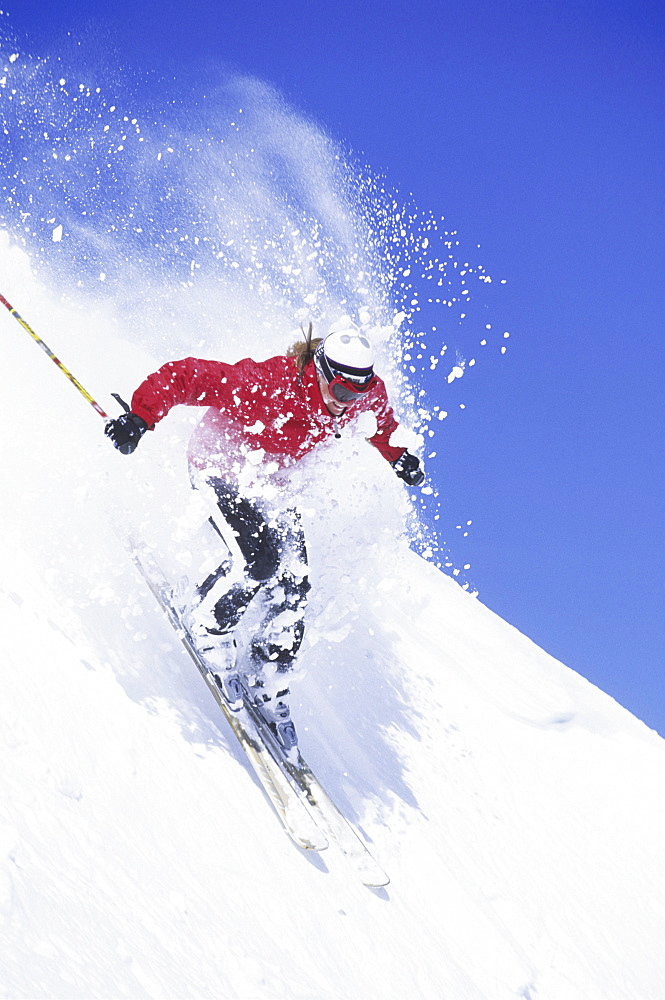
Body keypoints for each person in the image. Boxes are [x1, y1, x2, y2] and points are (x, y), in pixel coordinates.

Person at [105, 324, 424, 753]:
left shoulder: (361, 396)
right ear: (321, 371)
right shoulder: (270, 382)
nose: (344, 403)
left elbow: (379, 423)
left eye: (354, 395)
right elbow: (190, 376)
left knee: (296, 585)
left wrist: (398, 457)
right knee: (259, 562)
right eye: (341, 392)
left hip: (273, 483)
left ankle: (267, 671)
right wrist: (141, 416)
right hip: (219, 465)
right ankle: (208, 624)